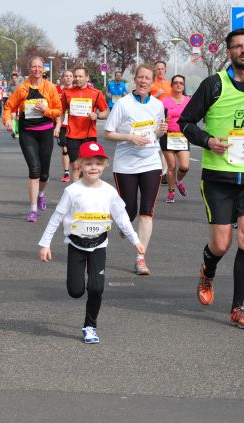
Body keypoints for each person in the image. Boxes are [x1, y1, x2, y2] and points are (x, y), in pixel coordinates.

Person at [178, 28, 244, 329]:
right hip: (219, 177)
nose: (243, 51)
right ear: (228, 52)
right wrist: (208, 140)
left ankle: (238, 308)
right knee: (221, 244)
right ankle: (207, 270)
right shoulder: (214, 85)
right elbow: (185, 122)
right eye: (237, 46)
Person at [38, 141, 145, 344]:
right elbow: (57, 216)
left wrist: (135, 240)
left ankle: (90, 326)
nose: (93, 167)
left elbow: (121, 217)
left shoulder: (109, 191)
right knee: (76, 290)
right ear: (79, 165)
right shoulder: (72, 191)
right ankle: (79, 289)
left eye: (98, 163)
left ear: (104, 165)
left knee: (96, 288)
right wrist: (45, 243)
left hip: (98, 245)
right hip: (76, 245)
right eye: (88, 164)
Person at [104, 64, 167, 275]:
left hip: (151, 162)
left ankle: (140, 259)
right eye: (140, 77)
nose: (143, 81)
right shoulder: (123, 104)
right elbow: (108, 133)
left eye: (147, 78)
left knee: (147, 212)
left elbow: (156, 133)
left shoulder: (158, 105)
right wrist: (129, 137)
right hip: (126, 164)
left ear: (152, 82)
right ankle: (126, 225)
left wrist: (161, 131)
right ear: (135, 79)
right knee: (129, 210)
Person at [3, 56, 62, 222]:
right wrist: (7, 120)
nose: (37, 69)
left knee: (44, 174)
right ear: (30, 69)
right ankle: (33, 209)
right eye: (34, 66)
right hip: (27, 133)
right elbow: (9, 107)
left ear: (44, 69)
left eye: (39, 67)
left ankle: (41, 193)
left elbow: (58, 110)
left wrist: (46, 111)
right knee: (34, 170)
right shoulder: (22, 88)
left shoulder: (50, 87)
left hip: (45, 133)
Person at [61, 66, 109, 182]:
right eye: (76, 76)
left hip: (89, 135)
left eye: (80, 76)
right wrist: (59, 127)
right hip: (72, 135)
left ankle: (87, 190)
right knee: (76, 167)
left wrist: (97, 115)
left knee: (88, 167)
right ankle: (76, 192)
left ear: (87, 77)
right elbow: (61, 112)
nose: (77, 79)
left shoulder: (96, 93)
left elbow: (105, 112)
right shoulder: (67, 93)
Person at [160, 74, 191, 203]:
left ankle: (178, 180)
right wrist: (163, 121)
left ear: (184, 86)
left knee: (184, 166)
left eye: (181, 83)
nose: (178, 85)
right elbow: (157, 118)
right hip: (168, 136)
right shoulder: (164, 101)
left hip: (182, 137)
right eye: (176, 83)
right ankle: (171, 192)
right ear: (171, 85)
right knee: (171, 166)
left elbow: (194, 117)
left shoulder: (189, 101)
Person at [54, 69, 74, 182]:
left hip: (74, 124)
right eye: (66, 76)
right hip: (61, 123)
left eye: (70, 76)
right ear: (62, 78)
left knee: (74, 149)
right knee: (65, 148)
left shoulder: (76, 91)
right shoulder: (56, 90)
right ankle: (66, 172)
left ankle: (76, 170)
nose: (68, 78)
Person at [7, 72, 23, 138]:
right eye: (13, 78)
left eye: (15, 78)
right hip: (13, 103)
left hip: (19, 103)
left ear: (17, 78)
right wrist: (9, 93)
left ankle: (17, 131)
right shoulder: (10, 84)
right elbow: (7, 91)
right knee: (13, 116)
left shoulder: (20, 85)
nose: (14, 79)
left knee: (18, 117)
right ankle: (14, 131)